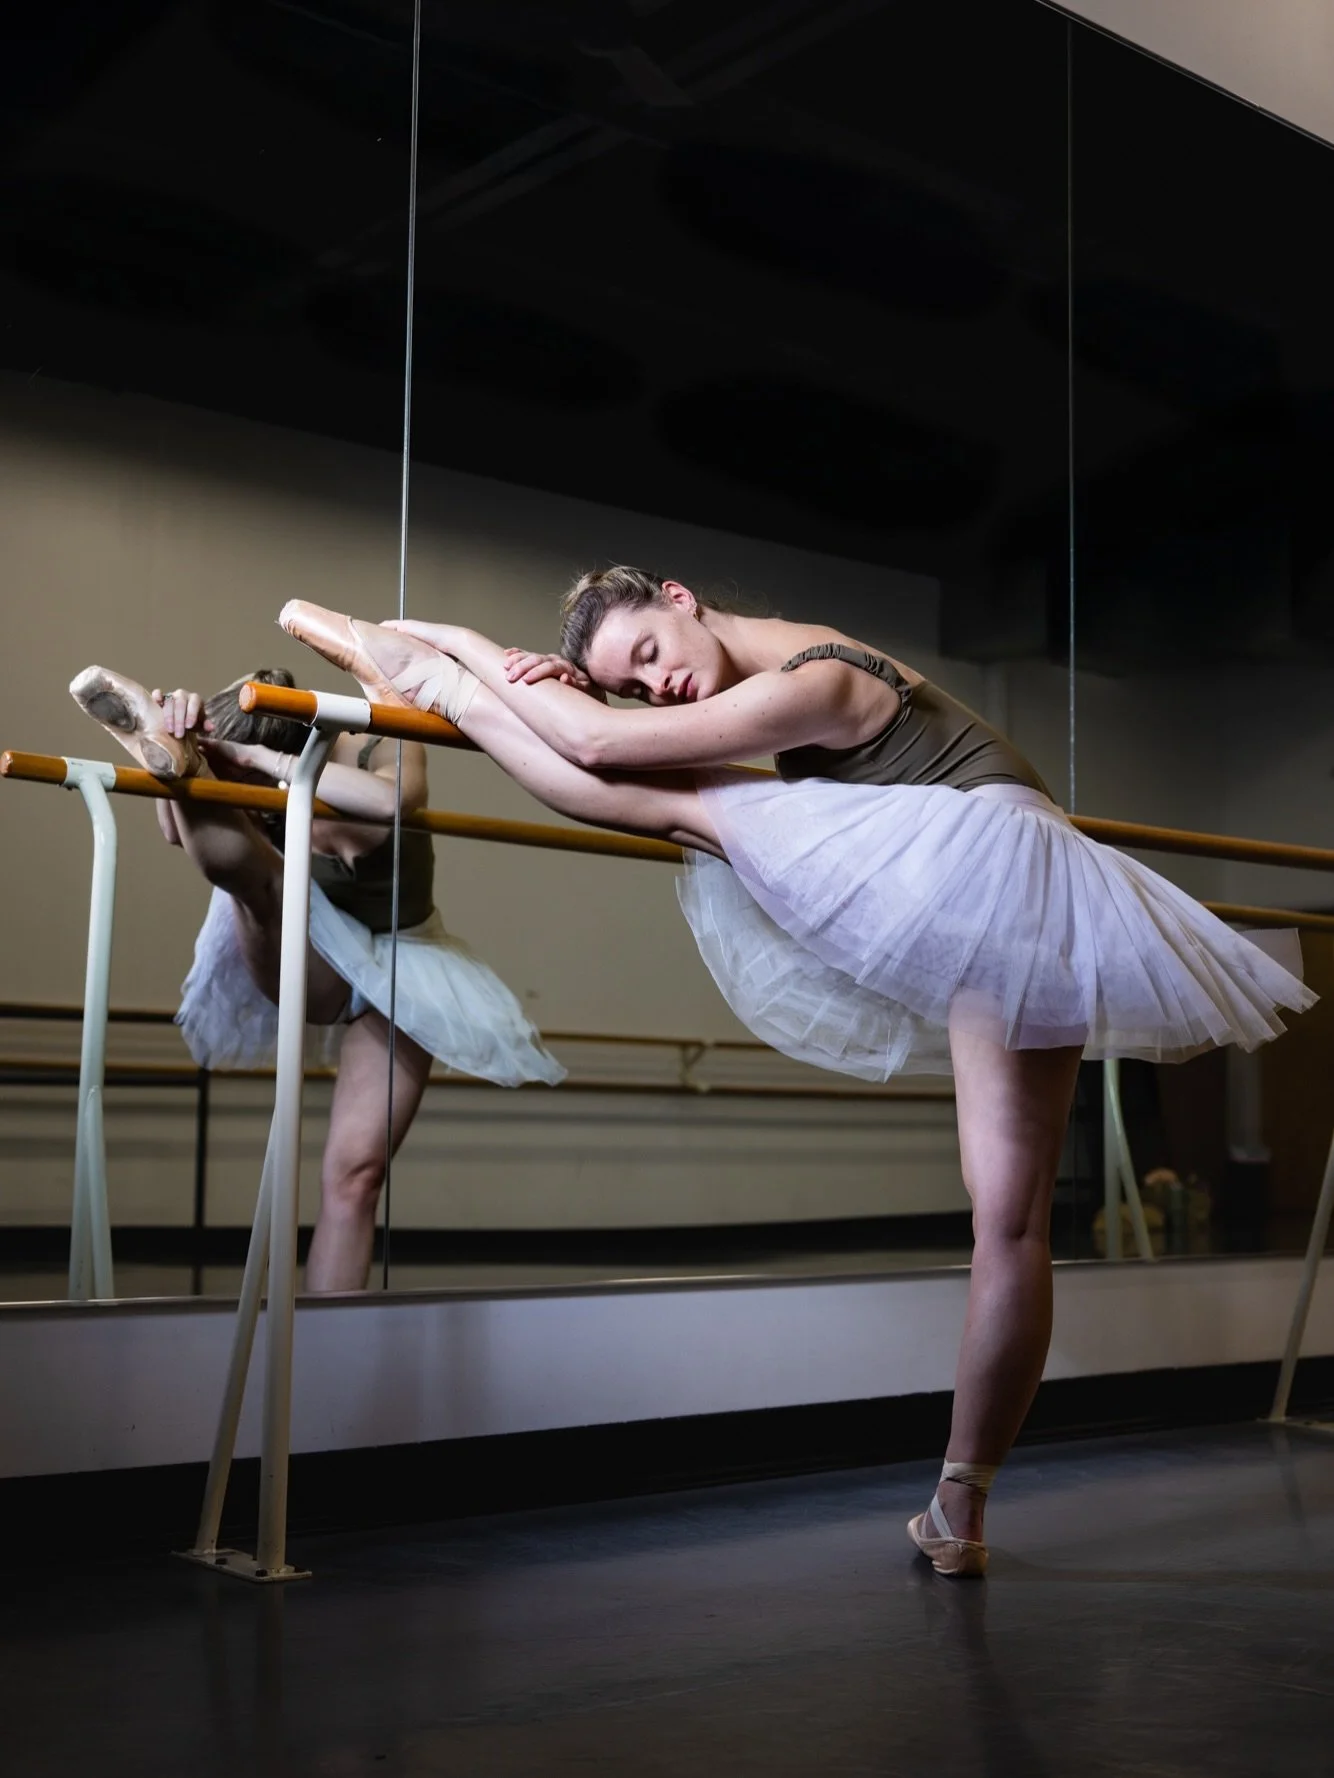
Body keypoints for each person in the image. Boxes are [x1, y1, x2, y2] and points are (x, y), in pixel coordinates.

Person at [274, 573, 1312, 1573]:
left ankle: (412, 669)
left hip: (972, 856)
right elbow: (613, 728)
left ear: (680, 598)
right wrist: (540, 672)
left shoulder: (820, 679)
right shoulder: (805, 673)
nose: (657, 681)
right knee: (1006, 1221)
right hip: (1020, 890)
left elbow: (596, 742)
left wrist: (459, 655)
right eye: (632, 680)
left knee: (676, 802)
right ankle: (960, 1502)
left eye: (649, 651)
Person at [68, 663, 563, 1293]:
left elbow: (394, 802)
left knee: (354, 1177)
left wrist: (268, 769)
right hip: (308, 942)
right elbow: (176, 837)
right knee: (257, 879)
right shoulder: (249, 769)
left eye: (251, 771)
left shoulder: (381, 741)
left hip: (405, 966)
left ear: (293, 751)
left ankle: (333, 1345)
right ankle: (173, 757)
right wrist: (182, 751)